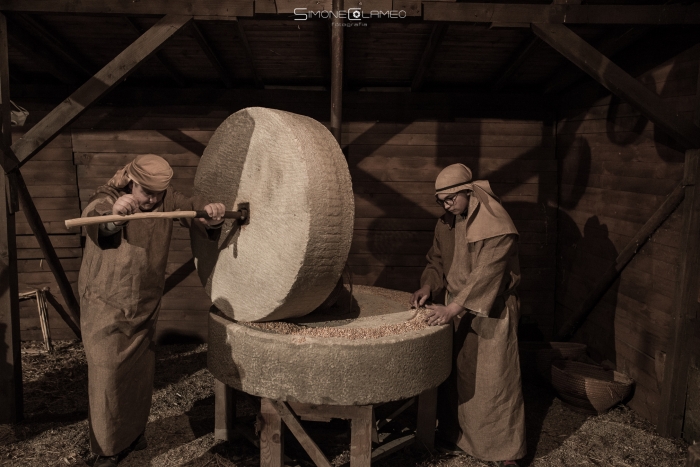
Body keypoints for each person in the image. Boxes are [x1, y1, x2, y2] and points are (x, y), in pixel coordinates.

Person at [78, 154, 226, 467]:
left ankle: (131, 435)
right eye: (147, 192)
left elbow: (191, 206)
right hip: (106, 303)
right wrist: (115, 217)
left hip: (144, 301)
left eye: (159, 193)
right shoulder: (108, 197)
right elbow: (98, 218)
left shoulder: (165, 198)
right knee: (106, 376)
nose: (154, 199)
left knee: (138, 373)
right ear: (131, 181)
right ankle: (106, 449)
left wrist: (210, 214)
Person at [410, 163, 526, 467]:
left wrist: (453, 308)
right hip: (455, 308)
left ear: (468, 191)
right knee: (459, 377)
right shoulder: (447, 223)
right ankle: (457, 436)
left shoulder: (497, 226)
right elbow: (436, 261)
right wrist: (427, 285)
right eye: (441, 201)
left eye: (450, 199)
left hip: (491, 311)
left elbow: (487, 275)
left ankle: (503, 452)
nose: (446, 206)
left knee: (493, 382)